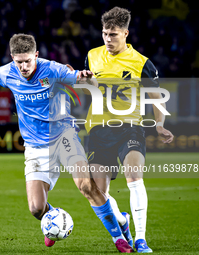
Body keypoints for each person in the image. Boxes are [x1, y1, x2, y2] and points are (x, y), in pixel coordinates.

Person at [0, 33, 134, 253]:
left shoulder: (52, 69)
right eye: (19, 62)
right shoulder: (7, 73)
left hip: (64, 137)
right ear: (12, 57)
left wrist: (86, 77)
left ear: (36, 55)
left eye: (28, 60)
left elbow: (82, 78)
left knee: (86, 185)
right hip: (35, 147)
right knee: (36, 208)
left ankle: (119, 238)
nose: (24, 66)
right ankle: (54, 219)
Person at [82, 7, 174, 253]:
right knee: (97, 192)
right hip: (99, 130)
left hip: (130, 128)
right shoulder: (92, 56)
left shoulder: (141, 63)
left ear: (125, 33)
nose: (107, 39)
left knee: (134, 178)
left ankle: (141, 239)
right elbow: (90, 88)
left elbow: (156, 97)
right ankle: (122, 220)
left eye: (113, 34)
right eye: (104, 33)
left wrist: (160, 124)